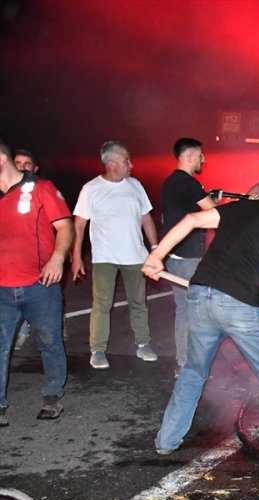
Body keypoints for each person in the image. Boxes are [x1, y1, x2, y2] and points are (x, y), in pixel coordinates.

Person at [141, 176, 259, 455]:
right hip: (240, 305)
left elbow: (191, 219)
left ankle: (166, 442)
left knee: (193, 371)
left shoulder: (239, 208)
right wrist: (255, 298)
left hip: (201, 296)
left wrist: (157, 257)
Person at [0, 136, 74, 425]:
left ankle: (52, 395)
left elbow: (65, 226)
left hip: (39, 285)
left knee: (49, 341)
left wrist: (58, 259)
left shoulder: (42, 188)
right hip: (2, 289)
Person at [71, 140, 159, 369]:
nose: (131, 164)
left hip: (136, 255)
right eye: (126, 160)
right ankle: (98, 350)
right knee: (102, 303)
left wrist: (156, 249)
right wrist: (77, 256)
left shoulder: (135, 185)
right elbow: (79, 225)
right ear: (111, 164)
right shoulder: (91, 189)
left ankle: (143, 343)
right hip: (104, 257)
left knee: (139, 302)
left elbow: (146, 218)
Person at [160, 137, 217, 377]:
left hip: (175, 256)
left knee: (184, 308)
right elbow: (213, 211)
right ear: (190, 156)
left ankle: (183, 362)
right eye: (201, 155)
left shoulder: (170, 182)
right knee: (195, 310)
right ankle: (190, 364)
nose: (203, 160)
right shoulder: (189, 183)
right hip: (188, 258)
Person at [12, 148, 40, 350]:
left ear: (35, 168)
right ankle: (20, 330)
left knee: (40, 293)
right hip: (10, 255)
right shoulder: (5, 189)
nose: (22, 168)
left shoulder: (41, 190)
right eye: (18, 163)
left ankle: (55, 324)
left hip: (35, 254)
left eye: (26, 164)